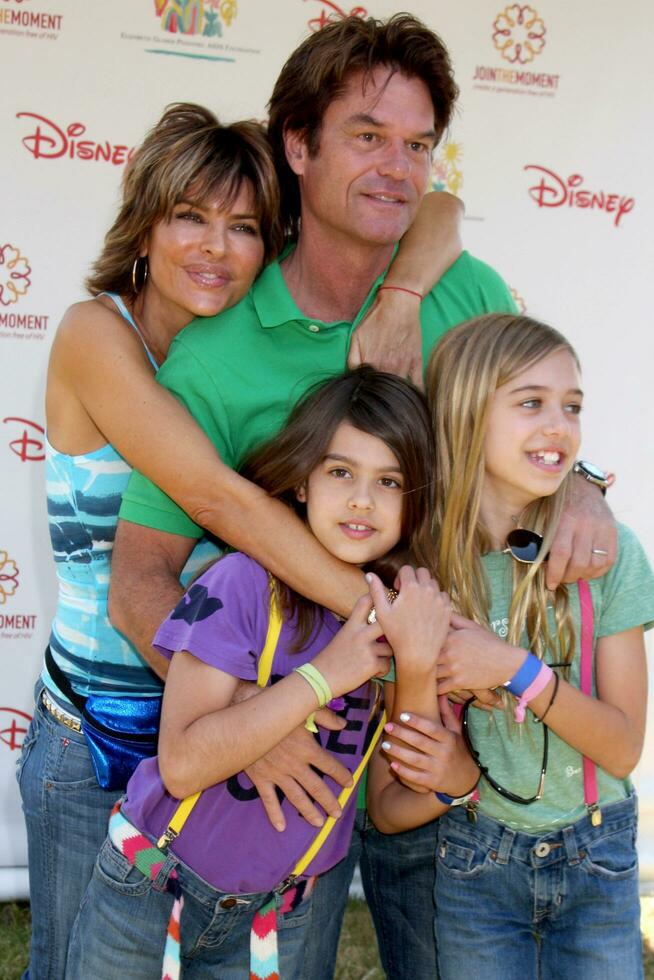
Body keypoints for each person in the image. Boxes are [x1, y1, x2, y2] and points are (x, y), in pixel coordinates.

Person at [111, 14, 618, 978]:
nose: (399, 167)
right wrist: (244, 729)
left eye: (418, 145)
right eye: (368, 137)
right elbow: (141, 577)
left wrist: (584, 489)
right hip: (319, 748)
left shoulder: (463, 291)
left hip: (465, 738)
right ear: (296, 146)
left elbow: (535, 442)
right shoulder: (219, 349)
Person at [18, 101, 463, 980]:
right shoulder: (94, 333)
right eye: (190, 217)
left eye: (245, 227)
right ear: (144, 224)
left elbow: (439, 208)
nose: (216, 249)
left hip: (244, 713)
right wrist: (393, 624)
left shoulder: (252, 347)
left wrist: (406, 286)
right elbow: (216, 499)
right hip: (109, 732)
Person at [65, 367, 469, 979]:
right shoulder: (240, 583)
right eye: (340, 472)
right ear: (302, 482)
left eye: (389, 481)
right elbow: (182, 762)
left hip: (279, 920)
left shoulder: (406, 619)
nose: (362, 499)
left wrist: (447, 749)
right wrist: (322, 678)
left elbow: (393, 801)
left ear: (415, 506)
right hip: (150, 891)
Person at [367, 313, 654, 979]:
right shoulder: (421, 570)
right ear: (467, 416)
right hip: (475, 860)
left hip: (597, 853)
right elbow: (403, 769)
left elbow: (621, 746)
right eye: (531, 403)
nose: (559, 424)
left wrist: (518, 672)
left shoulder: (609, 557)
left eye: (571, 406)